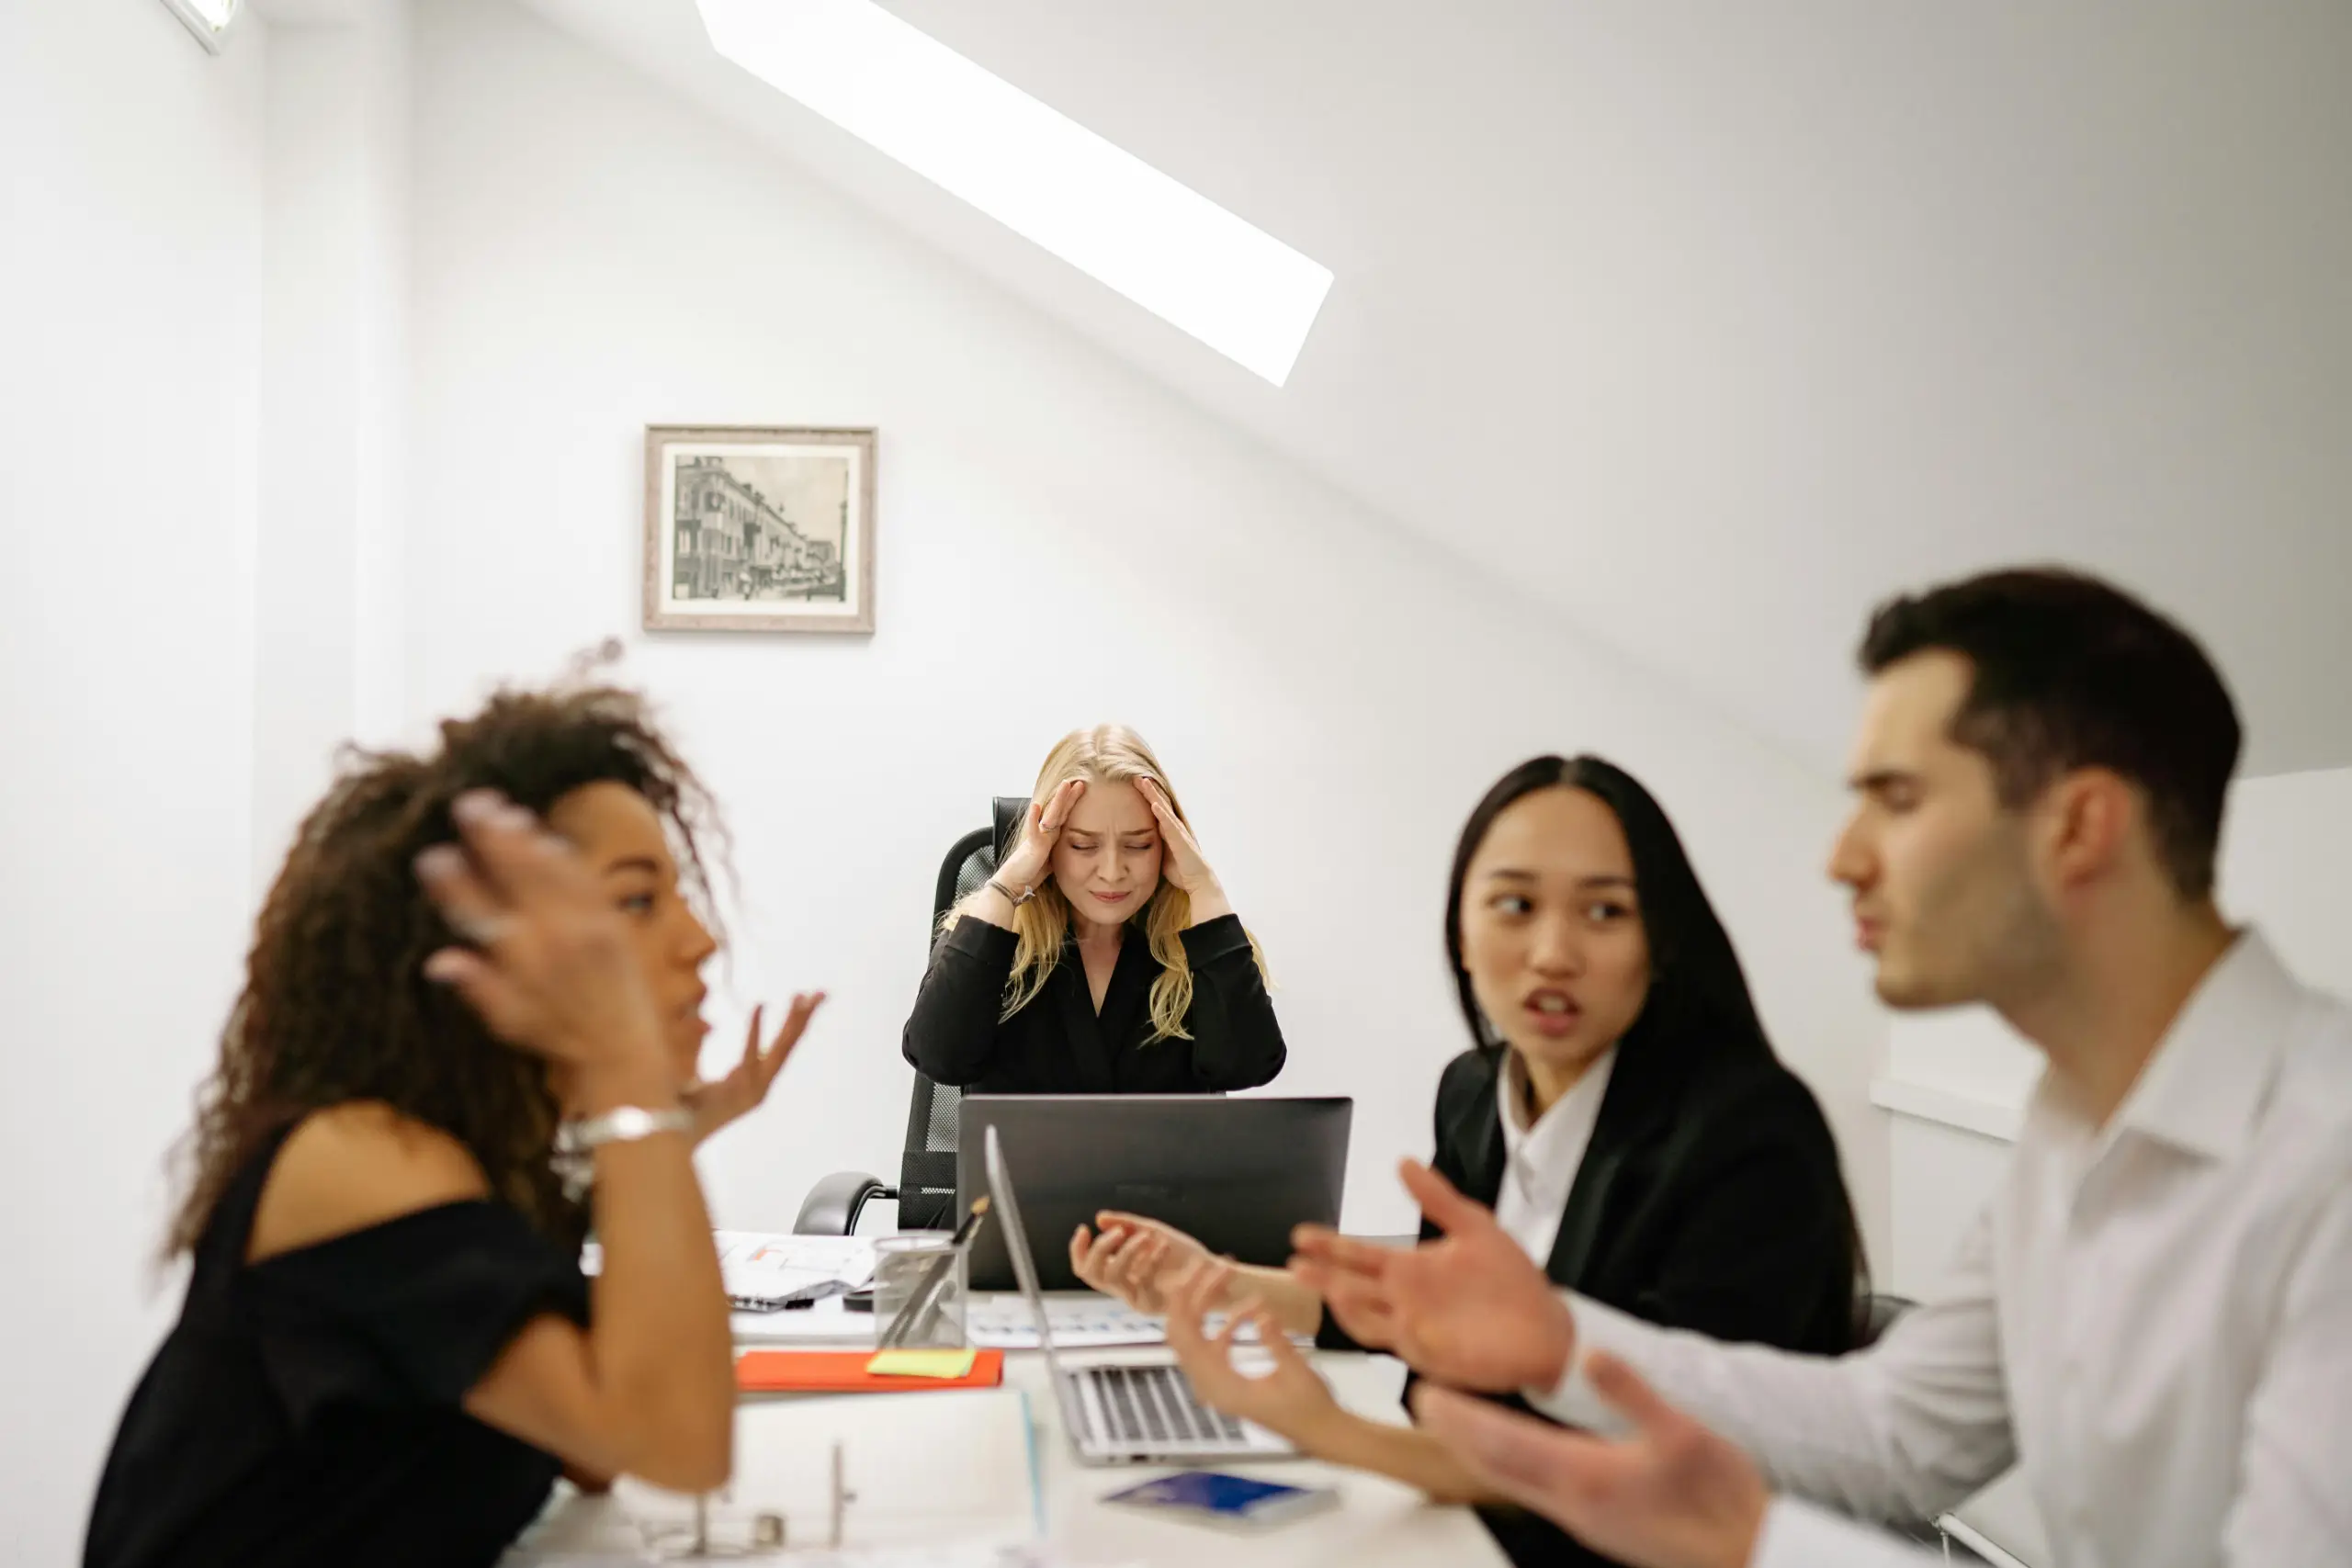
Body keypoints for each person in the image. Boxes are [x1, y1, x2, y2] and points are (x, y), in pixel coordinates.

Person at [1296, 570, 2352, 1568]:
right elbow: (1894, 1436)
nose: (1841, 856)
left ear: (2078, 825)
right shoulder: (2071, 1126)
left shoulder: (2324, 1155)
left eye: (1894, 799)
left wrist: (1755, 1540)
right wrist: (1557, 1342)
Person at [85, 682, 826, 1568]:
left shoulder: (481, 1169)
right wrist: (633, 1093)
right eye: (636, 901)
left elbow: (593, 1449)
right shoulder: (356, 1155)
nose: (700, 940)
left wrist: (648, 1135)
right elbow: (680, 1440)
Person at [1070, 754, 1863, 1566]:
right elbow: (1422, 1321)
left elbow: (1651, 1481)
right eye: (1514, 905)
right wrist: (1217, 1280)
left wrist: (1329, 1430)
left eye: (1605, 911)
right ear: (1460, 932)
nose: (1552, 952)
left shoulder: (1747, 1136)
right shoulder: (1478, 1093)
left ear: (1662, 939)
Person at [901, 724, 1284, 1095]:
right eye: (1084, 846)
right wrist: (1004, 890)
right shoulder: (991, 931)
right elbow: (940, 1058)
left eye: (1139, 845)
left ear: (1168, 843)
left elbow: (1247, 1066)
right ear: (1048, 845)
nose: (1113, 872)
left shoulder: (1200, 940)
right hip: (1022, 1163)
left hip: (1167, 1164)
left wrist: (1205, 889)